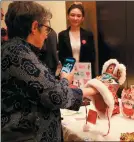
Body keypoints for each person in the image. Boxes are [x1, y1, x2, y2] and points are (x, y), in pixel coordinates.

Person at [1, 2, 99, 142]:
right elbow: (55, 95)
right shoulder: (18, 54)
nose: (47, 36)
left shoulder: (16, 49)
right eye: (47, 29)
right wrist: (80, 86)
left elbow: (41, 89)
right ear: (35, 27)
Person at [58, 3, 96, 78]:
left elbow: (92, 57)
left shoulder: (88, 35)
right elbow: (61, 56)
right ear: (68, 16)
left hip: (85, 73)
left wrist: (92, 75)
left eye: (78, 16)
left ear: (82, 18)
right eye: (72, 15)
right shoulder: (62, 35)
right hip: (68, 73)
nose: (75, 18)